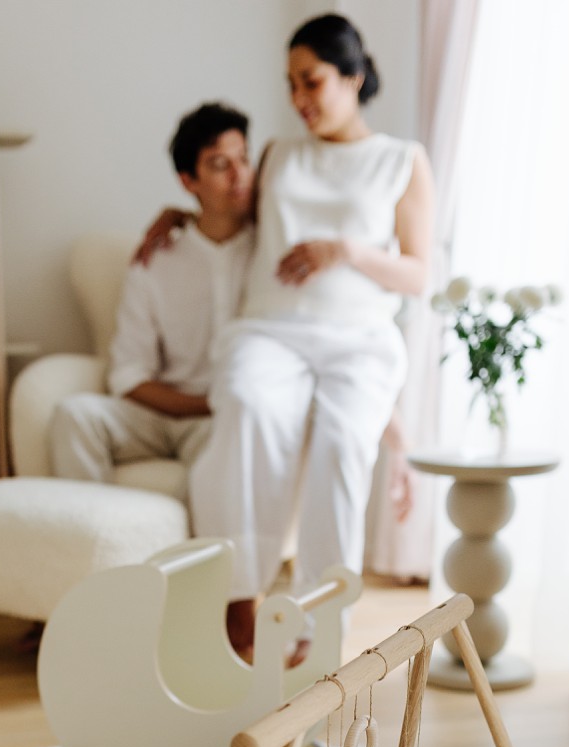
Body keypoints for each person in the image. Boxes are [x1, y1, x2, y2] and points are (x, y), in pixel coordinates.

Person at [185, 13, 434, 658]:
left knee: (341, 446)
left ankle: (320, 627)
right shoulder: (279, 154)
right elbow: (228, 216)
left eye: (312, 81)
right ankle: (243, 596)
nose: (298, 100)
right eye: (291, 84)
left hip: (358, 337)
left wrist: (346, 250)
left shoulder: (401, 162)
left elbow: (418, 274)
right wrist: (173, 214)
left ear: (352, 75)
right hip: (271, 329)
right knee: (246, 402)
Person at [48, 103, 254, 488]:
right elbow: (127, 375)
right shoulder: (155, 262)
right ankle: (95, 536)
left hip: (230, 421)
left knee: (234, 438)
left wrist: (226, 407)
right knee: (73, 415)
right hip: (163, 415)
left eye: (244, 158)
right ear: (188, 181)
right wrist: (203, 405)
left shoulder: (268, 250)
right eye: (220, 164)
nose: (239, 175)